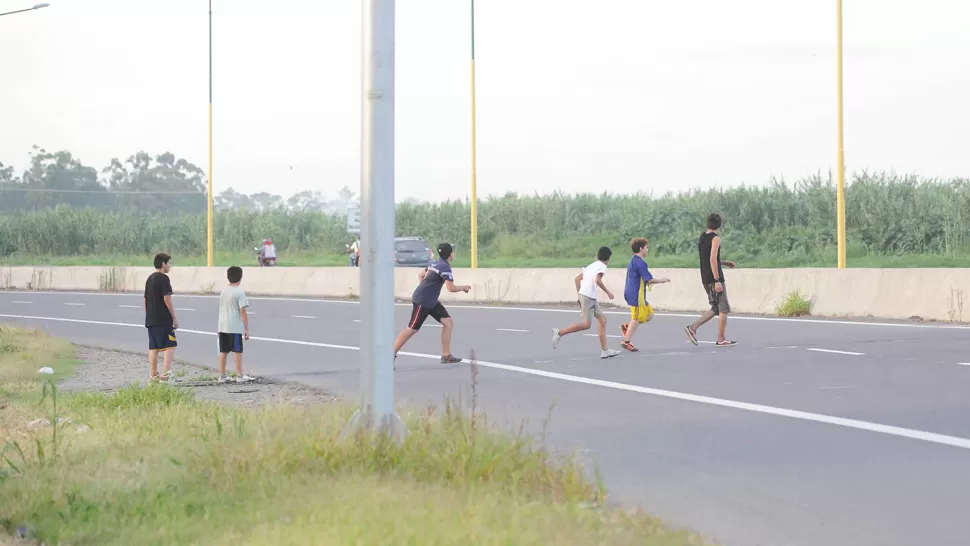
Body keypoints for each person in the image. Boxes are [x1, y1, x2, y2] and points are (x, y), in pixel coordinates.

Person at [393, 242, 470, 365]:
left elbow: (421, 275)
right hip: (423, 301)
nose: (453, 253)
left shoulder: (436, 263)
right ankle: (390, 354)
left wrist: (424, 288)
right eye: (453, 251)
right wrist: (464, 288)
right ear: (451, 254)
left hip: (430, 300)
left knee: (448, 322)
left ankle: (446, 355)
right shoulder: (444, 267)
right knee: (412, 328)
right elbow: (451, 288)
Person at [551, 246, 621, 359]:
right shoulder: (602, 266)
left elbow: (577, 279)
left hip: (589, 297)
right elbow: (597, 280)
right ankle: (559, 333)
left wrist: (579, 295)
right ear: (608, 259)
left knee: (603, 320)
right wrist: (608, 292)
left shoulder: (590, 266)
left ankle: (605, 351)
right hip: (588, 297)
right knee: (586, 324)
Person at [685, 213, 737, 347]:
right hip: (714, 278)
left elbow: (707, 258)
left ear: (707, 223)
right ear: (719, 225)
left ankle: (692, 328)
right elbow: (712, 259)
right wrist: (717, 280)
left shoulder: (703, 237)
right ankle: (721, 339)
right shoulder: (716, 238)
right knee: (724, 308)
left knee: (715, 307)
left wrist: (725, 263)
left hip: (705, 276)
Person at [619, 237, 670, 352]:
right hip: (636, 295)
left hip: (638, 294)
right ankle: (626, 341)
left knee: (649, 315)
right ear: (641, 248)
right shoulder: (640, 263)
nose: (647, 250)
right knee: (636, 318)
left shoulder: (634, 260)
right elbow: (649, 280)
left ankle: (627, 327)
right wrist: (662, 280)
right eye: (646, 248)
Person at [144, 253, 178, 382]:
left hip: (151, 319)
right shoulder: (163, 278)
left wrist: (149, 315)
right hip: (163, 319)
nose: (170, 266)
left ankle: (153, 376)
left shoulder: (150, 279)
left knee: (154, 347)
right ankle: (166, 374)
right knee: (171, 345)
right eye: (169, 263)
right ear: (163, 264)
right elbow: (167, 298)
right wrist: (174, 317)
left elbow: (145, 299)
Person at [217, 266, 254, 383]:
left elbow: (221, 310)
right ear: (240, 278)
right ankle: (239, 375)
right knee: (237, 351)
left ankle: (222, 376)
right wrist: (247, 329)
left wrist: (218, 327)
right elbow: (243, 311)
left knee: (223, 351)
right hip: (234, 327)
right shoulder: (239, 292)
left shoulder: (223, 291)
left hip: (223, 326)